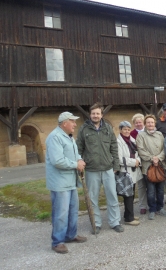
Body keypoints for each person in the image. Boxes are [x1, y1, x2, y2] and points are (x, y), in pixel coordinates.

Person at [76, 102, 124, 234]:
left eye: (97, 113)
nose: (95, 116)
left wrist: (116, 165)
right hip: (92, 170)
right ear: (90, 115)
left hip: (108, 168)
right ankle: (96, 223)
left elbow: (114, 147)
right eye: (93, 113)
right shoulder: (83, 129)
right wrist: (80, 161)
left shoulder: (108, 128)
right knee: (92, 199)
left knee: (112, 197)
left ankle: (115, 222)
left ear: (102, 115)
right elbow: (78, 148)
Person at [45, 111, 87, 254]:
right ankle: (57, 241)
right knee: (61, 213)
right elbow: (57, 161)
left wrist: (80, 159)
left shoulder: (69, 137)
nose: (75, 124)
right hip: (60, 182)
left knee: (73, 210)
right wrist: (76, 165)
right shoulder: (55, 137)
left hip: (70, 181)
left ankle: (71, 235)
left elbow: (75, 154)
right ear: (64, 123)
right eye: (72, 122)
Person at [136, 115, 166, 220]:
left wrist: (158, 158)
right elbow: (141, 150)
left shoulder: (159, 134)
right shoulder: (141, 136)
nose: (150, 124)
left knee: (160, 190)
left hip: (160, 165)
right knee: (150, 191)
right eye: (148, 122)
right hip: (148, 166)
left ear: (155, 123)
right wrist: (152, 159)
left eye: (152, 122)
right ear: (145, 124)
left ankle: (160, 207)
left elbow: (165, 148)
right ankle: (152, 209)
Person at [117, 121, 142, 226]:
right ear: (121, 130)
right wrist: (134, 162)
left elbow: (137, 153)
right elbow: (120, 159)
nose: (127, 131)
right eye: (124, 129)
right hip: (125, 172)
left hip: (133, 171)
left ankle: (129, 214)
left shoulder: (132, 140)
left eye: (128, 129)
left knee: (131, 194)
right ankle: (129, 218)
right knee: (128, 195)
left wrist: (138, 161)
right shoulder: (118, 142)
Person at [130, 113, 148, 215]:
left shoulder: (148, 131)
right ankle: (142, 205)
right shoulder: (132, 134)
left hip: (149, 161)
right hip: (138, 162)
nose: (138, 124)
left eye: (140, 122)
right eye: (136, 122)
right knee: (141, 185)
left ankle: (152, 203)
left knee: (151, 184)